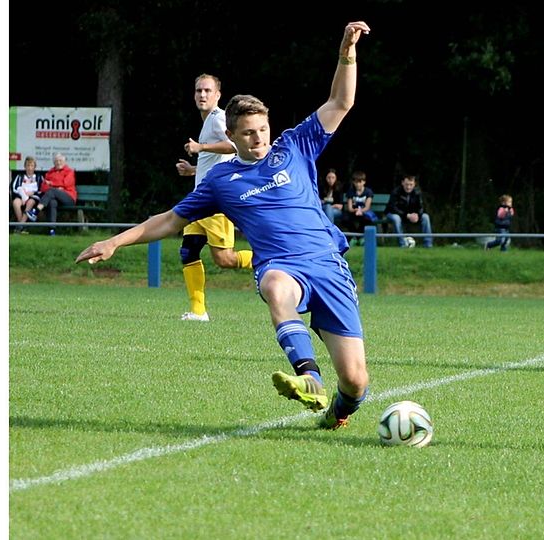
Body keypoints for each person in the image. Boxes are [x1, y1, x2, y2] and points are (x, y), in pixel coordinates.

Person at [76, 21, 373, 430]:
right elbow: (169, 220)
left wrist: (346, 51)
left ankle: (338, 409)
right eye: (248, 133)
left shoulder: (293, 145)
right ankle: (309, 376)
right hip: (280, 264)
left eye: (263, 130)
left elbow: (341, 101)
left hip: (328, 264)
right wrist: (115, 241)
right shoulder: (221, 180)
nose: (258, 139)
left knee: (356, 381)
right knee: (274, 287)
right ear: (230, 135)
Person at [174, 73, 254, 322]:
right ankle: (198, 311)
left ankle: (270, 254)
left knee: (225, 259)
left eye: (208, 91)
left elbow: (234, 146)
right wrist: (194, 170)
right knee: (189, 251)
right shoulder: (209, 120)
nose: (202, 95)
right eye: (199, 90)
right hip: (201, 199)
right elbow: (221, 160)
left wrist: (201, 147)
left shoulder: (219, 118)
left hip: (216, 203)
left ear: (218, 95)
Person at [26, 153, 76, 228]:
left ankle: (35, 211)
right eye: (56, 161)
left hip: (68, 197)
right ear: (54, 163)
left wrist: (51, 183)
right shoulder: (50, 172)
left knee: (52, 191)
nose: (58, 162)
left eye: (60, 160)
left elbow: (66, 184)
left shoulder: (69, 171)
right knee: (52, 202)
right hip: (55, 198)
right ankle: (52, 230)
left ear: (64, 162)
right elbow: (43, 187)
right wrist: (57, 187)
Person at [386, 174, 433, 248]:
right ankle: (402, 244)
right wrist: (407, 215)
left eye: (411, 185)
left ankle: (428, 244)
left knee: (425, 217)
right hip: (394, 214)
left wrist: (417, 215)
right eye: (407, 184)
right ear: (402, 183)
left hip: (411, 215)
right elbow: (393, 208)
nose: (408, 187)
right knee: (396, 218)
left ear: (414, 184)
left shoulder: (417, 192)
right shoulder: (396, 192)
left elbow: (421, 207)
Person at [342, 170, 377, 240]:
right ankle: (355, 235)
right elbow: (350, 208)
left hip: (364, 212)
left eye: (360, 182)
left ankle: (358, 237)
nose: (358, 184)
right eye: (356, 182)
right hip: (353, 212)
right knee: (345, 219)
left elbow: (367, 207)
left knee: (367, 220)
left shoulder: (368, 192)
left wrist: (361, 210)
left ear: (364, 182)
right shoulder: (351, 192)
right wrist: (355, 210)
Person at [11, 156, 43, 223]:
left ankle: (20, 226)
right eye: (28, 165)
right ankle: (21, 224)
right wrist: (23, 195)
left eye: (32, 166)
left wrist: (33, 193)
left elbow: (42, 189)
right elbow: (14, 188)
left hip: (33, 198)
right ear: (25, 166)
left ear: (35, 167)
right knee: (15, 202)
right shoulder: (20, 176)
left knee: (30, 202)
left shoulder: (39, 177)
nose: (30, 168)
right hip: (21, 197)